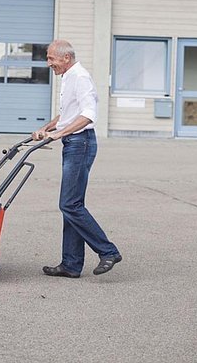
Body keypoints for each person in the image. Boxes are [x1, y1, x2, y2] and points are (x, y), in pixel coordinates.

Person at [33, 39, 122, 278]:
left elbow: (87, 115)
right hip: (73, 143)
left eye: (51, 58)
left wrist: (59, 133)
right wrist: (46, 128)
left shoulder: (80, 77)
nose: (48, 62)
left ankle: (108, 251)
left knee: (69, 204)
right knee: (72, 205)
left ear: (66, 58)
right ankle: (71, 264)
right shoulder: (68, 77)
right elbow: (67, 114)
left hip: (80, 144)